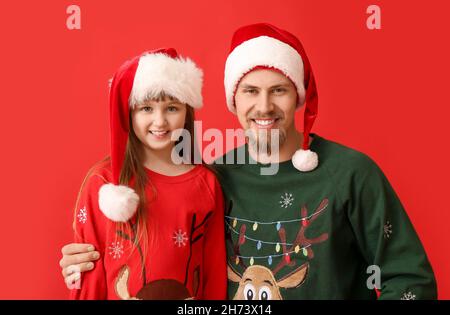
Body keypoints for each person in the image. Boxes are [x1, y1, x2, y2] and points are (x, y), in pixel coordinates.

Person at [60, 24, 437, 300]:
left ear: (300, 97)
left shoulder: (351, 174)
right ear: (234, 101)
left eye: (279, 91)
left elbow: (409, 279)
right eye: (251, 91)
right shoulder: (212, 180)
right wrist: (87, 259)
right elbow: (162, 243)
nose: (264, 107)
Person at [65, 48, 227, 300]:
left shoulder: (206, 184)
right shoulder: (104, 183)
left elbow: (213, 276)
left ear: (187, 112)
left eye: (172, 108)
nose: (160, 121)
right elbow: (87, 274)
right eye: (146, 109)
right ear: (129, 113)